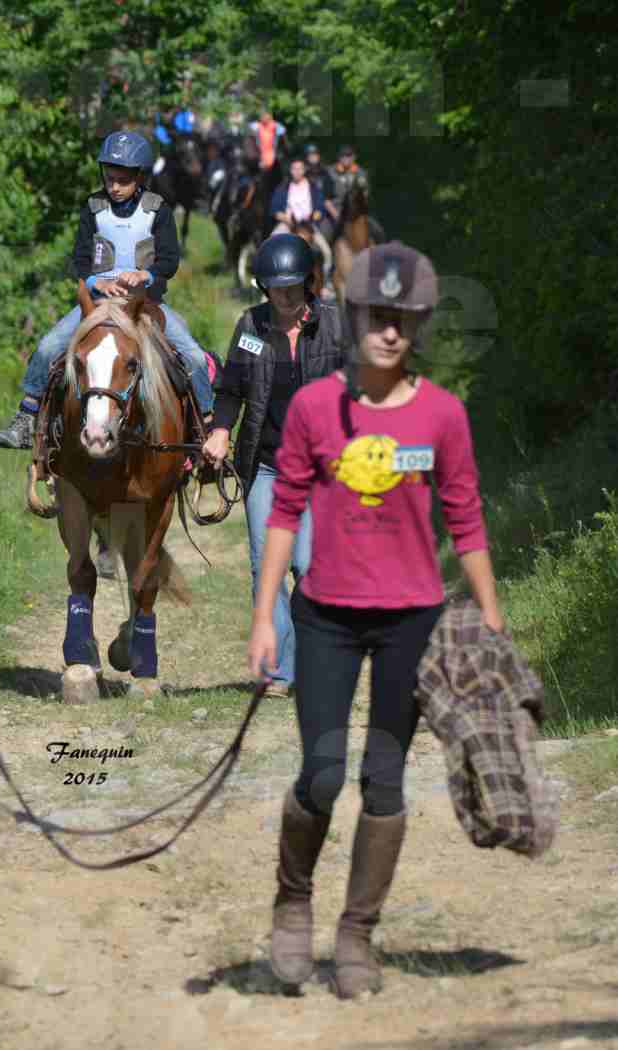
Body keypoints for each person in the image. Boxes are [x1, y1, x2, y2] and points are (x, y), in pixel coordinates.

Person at [247, 242, 503, 999]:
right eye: (376, 318)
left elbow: (465, 517)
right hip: (324, 616)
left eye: (403, 320)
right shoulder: (313, 408)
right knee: (323, 774)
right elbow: (285, 511)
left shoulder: (443, 415)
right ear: (353, 317)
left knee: (383, 780)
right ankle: (293, 902)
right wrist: (265, 616)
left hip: (410, 623)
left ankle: (357, 932)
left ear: (416, 327)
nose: (388, 332)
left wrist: (488, 612)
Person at [0, 131, 214, 449]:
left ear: (139, 177)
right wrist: (99, 282)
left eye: (122, 181)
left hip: (144, 303)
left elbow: (169, 260)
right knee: (47, 346)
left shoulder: (158, 209)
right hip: (97, 301)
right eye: (109, 179)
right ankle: (26, 417)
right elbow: (80, 259)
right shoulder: (93, 207)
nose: (114, 187)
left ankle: (204, 426)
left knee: (192, 356)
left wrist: (145, 275)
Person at [202, 233, 346, 697]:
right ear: (263, 288)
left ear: (308, 283)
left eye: (291, 287)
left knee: (308, 565)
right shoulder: (251, 326)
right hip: (265, 466)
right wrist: (222, 429)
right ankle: (282, 671)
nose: (283, 297)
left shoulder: (336, 327)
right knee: (267, 567)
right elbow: (230, 389)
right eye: (274, 288)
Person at [269, 157, 332, 272]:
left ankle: (327, 279)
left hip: (308, 225)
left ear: (304, 170)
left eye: (299, 169)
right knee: (272, 241)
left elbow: (320, 208)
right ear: (290, 170)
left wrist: (315, 216)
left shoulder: (313, 187)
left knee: (326, 251)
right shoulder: (283, 187)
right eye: (294, 168)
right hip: (288, 223)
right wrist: (285, 218)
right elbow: (274, 209)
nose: (297, 171)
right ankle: (270, 277)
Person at [329, 145, 386, 245]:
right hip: (337, 212)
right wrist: (335, 214)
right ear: (339, 157)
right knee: (330, 236)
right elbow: (326, 197)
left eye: (349, 156)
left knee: (378, 231)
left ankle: (381, 256)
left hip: (357, 212)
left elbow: (365, 193)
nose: (346, 158)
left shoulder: (360, 173)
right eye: (343, 156)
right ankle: (329, 259)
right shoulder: (331, 172)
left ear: (354, 157)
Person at [302, 143, 337, 240]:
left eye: (315, 154)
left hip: (321, 215)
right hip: (300, 214)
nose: (313, 157)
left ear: (319, 156)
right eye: (310, 154)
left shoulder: (325, 174)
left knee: (328, 233)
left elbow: (328, 199)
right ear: (306, 157)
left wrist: (336, 215)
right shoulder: (300, 174)